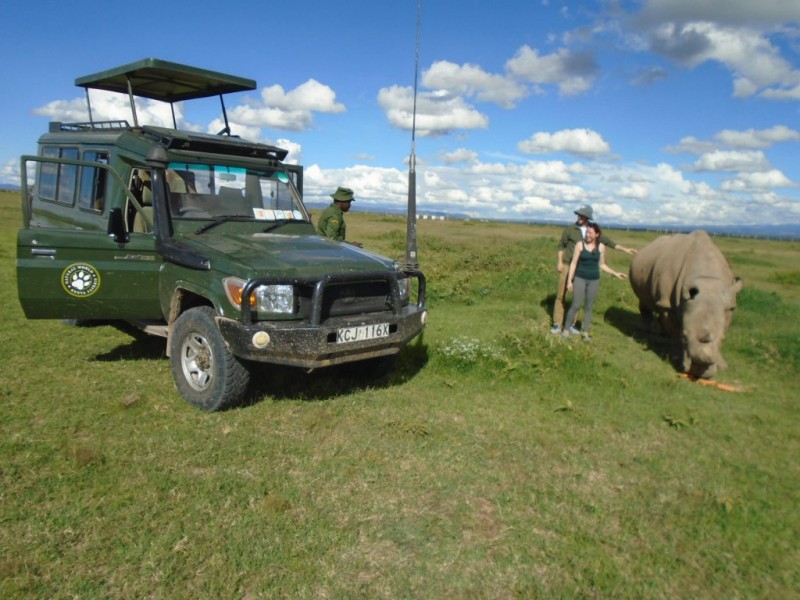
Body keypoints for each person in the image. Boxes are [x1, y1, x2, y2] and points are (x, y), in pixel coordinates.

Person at [551, 204, 635, 334]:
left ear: (587, 217)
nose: (579, 216)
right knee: (561, 295)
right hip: (568, 265)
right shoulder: (570, 229)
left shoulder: (592, 230)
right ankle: (557, 323)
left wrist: (625, 249)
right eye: (578, 214)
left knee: (576, 299)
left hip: (582, 268)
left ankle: (572, 324)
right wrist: (559, 262)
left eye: (582, 215)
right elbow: (561, 246)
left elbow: (609, 243)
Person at [562, 222, 628, 340]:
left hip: (594, 280)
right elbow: (573, 263)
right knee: (576, 305)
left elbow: (602, 265)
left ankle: (585, 333)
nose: (587, 235)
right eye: (587, 232)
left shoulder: (601, 247)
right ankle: (566, 330)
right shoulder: (579, 245)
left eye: (590, 233)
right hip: (580, 278)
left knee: (589, 307)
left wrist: (615, 273)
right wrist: (569, 281)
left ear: (597, 234)